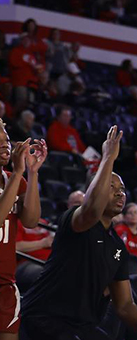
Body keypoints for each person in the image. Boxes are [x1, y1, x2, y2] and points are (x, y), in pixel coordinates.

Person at [20, 126, 137, 339]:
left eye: (122, 189)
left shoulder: (117, 245)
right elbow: (92, 210)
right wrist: (108, 158)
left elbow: (125, 304)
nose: (120, 193)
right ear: (93, 190)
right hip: (45, 318)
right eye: (112, 187)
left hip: (81, 327)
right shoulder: (75, 220)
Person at [0, 133, 44, 340]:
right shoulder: (15, 176)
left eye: (6, 139)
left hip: (6, 281)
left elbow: (31, 221)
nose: (4, 144)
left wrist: (32, 173)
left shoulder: (15, 179)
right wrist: (18, 172)